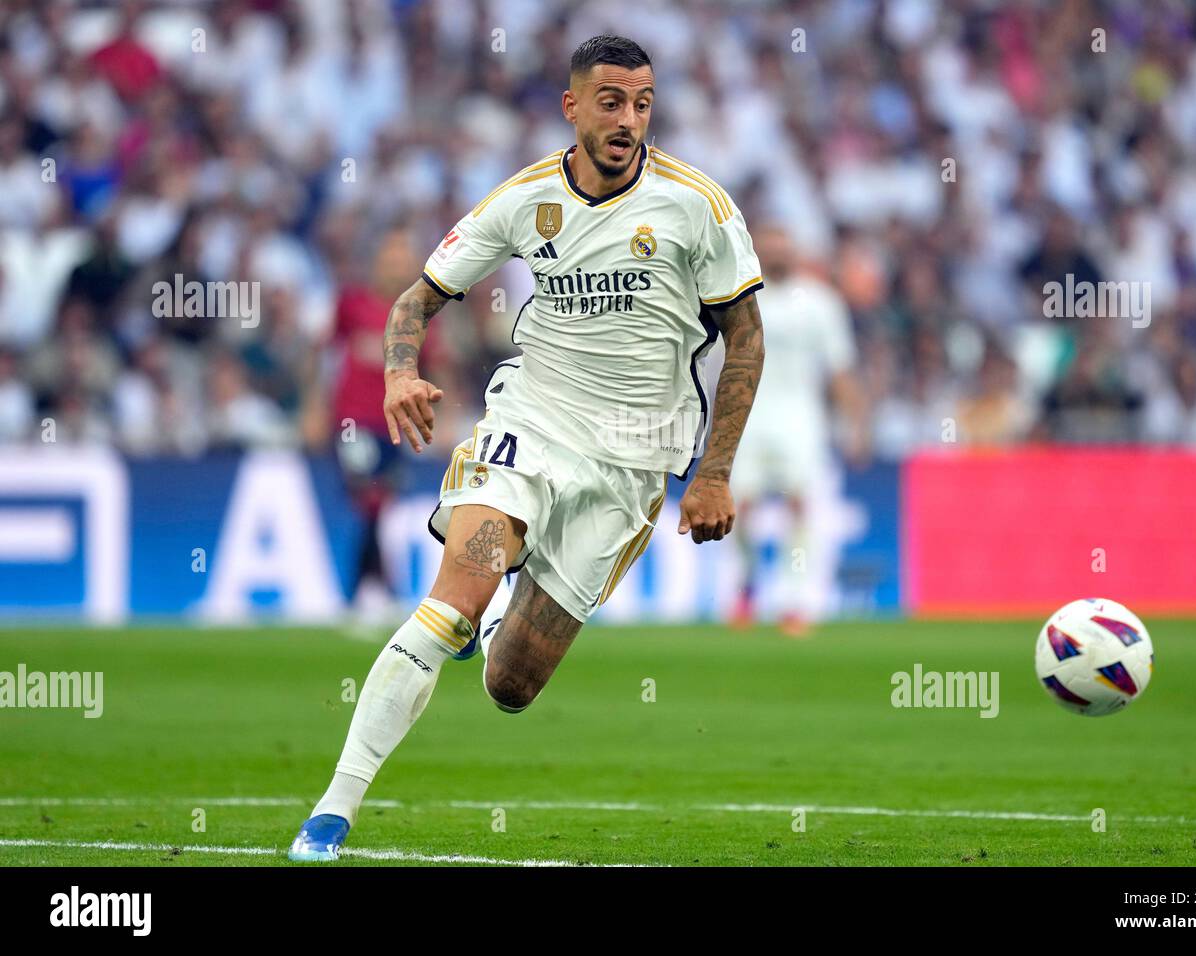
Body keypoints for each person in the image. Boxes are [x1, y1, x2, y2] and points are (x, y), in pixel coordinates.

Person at [289, 35, 765, 861]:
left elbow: (748, 339)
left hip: (631, 464)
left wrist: (714, 472)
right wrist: (400, 372)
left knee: (511, 686)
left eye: (643, 104)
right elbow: (416, 300)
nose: (628, 120)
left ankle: (505, 613)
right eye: (611, 102)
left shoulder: (699, 206)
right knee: (451, 603)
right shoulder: (522, 199)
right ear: (572, 106)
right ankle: (331, 813)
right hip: (528, 430)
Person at [728, 225, 861, 636]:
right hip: (748, 416)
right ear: (758, 252)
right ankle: (748, 584)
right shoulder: (739, 298)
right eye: (770, 247)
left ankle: (794, 600)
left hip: (801, 418)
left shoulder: (820, 302)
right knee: (739, 509)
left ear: (795, 251)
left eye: (784, 246)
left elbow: (839, 369)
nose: (778, 254)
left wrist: (856, 422)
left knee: (799, 507)